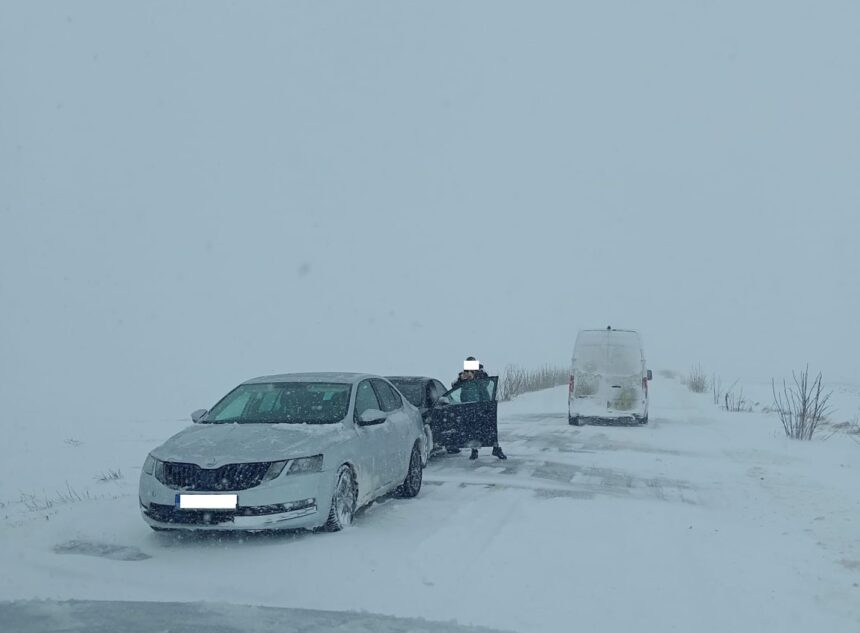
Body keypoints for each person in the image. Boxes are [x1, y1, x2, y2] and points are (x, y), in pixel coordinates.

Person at [451, 357, 507, 461]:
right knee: (472, 429)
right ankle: (474, 451)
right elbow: (454, 387)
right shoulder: (463, 375)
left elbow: (487, 383)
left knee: (489, 428)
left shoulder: (482, 374)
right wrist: (461, 379)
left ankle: (496, 448)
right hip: (468, 406)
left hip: (483, 405)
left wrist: (475, 376)